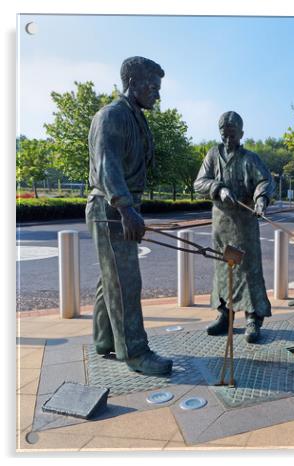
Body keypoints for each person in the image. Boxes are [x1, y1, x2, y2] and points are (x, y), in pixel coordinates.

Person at [86, 56, 172, 375]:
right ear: (133, 84)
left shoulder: (136, 117)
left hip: (122, 205)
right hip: (110, 206)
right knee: (126, 281)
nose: (157, 95)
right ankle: (134, 352)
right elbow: (108, 165)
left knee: (111, 276)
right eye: (152, 87)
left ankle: (104, 339)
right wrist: (125, 208)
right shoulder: (111, 116)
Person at [194, 111, 276, 343]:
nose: (228, 139)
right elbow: (199, 182)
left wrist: (261, 199)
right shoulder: (212, 154)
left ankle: (253, 318)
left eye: (233, 135)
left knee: (248, 270)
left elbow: (265, 181)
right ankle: (225, 314)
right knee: (225, 270)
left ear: (241, 134)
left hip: (245, 225)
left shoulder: (250, 158)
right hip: (222, 225)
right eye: (224, 135)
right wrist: (218, 188)